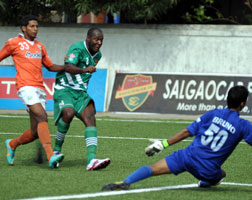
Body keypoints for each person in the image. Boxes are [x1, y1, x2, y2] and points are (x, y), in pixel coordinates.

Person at [102, 85, 252, 190]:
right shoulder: (244, 125)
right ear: (242, 104)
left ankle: (125, 182)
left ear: (227, 99)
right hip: (207, 169)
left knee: (152, 168)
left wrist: (163, 144)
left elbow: (187, 132)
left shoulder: (213, 113)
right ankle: (204, 183)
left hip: (186, 157)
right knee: (221, 174)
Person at [0, 15, 90, 169]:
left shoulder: (40, 46)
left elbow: (50, 66)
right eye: (32, 26)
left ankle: (12, 144)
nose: (35, 29)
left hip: (39, 89)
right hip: (25, 87)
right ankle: (51, 155)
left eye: (37, 26)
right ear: (24, 28)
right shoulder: (14, 43)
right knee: (42, 116)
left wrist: (67, 67)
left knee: (35, 131)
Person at [52, 27, 110, 171]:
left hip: (80, 92)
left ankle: (91, 160)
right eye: (96, 39)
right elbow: (68, 67)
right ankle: (56, 150)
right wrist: (85, 70)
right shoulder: (77, 48)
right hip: (64, 89)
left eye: (101, 40)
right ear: (88, 38)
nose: (99, 43)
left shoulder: (98, 55)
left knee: (90, 116)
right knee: (68, 113)